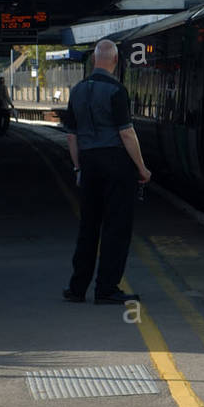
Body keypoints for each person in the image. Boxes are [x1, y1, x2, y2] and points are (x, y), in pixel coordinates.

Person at [61, 40, 152, 304]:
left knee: (88, 226)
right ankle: (106, 288)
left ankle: (77, 288)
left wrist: (78, 166)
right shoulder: (116, 90)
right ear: (115, 62)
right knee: (116, 227)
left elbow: (71, 136)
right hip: (116, 164)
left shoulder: (77, 91)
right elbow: (126, 132)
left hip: (88, 163)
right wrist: (141, 167)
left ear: (93, 62)